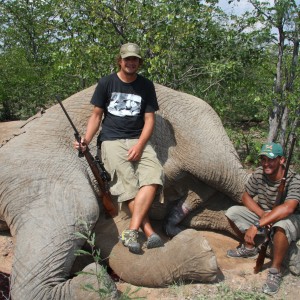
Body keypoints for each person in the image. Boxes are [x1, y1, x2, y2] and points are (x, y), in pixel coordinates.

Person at [75, 42, 164, 254]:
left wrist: (140, 145)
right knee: (128, 184)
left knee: (155, 175)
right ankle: (149, 230)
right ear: (120, 60)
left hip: (137, 139)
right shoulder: (106, 83)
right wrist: (86, 139)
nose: (131, 62)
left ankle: (131, 230)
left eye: (135, 59)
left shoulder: (146, 85)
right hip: (112, 140)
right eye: (127, 59)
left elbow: (149, 119)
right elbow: (96, 116)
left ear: (139, 62)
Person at [225, 142, 300, 295]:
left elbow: (288, 208)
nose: (266, 163)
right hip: (265, 215)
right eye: (263, 159)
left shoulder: (294, 179)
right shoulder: (259, 173)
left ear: (282, 160)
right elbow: (245, 197)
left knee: (281, 227)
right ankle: (250, 247)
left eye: (271, 159)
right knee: (232, 212)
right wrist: (262, 215)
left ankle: (275, 270)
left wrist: (257, 225)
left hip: (289, 218)